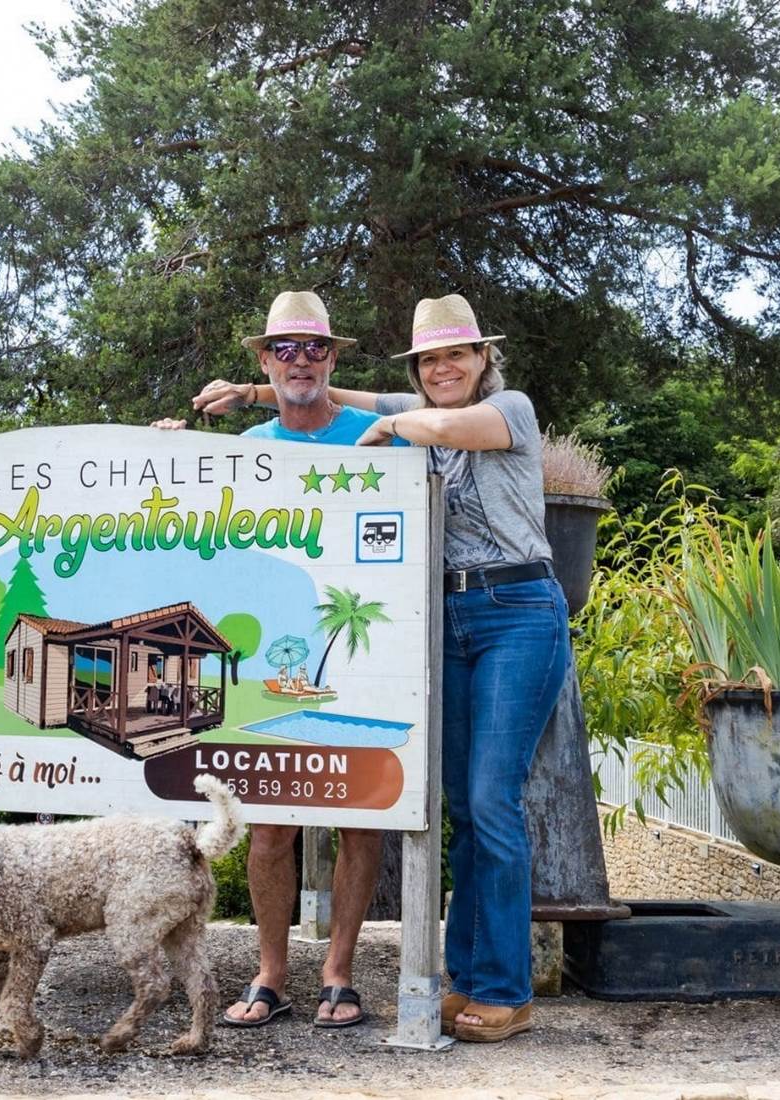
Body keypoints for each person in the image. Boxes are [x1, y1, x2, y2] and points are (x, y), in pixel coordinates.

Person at [194, 293, 568, 1043]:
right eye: (429, 359)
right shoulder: (408, 409)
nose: (443, 368)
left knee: (493, 801)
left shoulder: (508, 410)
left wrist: (390, 424)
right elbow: (334, 394)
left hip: (517, 608)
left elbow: (423, 423)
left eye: (456, 354)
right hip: (445, 620)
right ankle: (469, 979)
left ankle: (506, 989)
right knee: (464, 807)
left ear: (483, 358)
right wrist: (254, 394)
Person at [155, 289, 405, 1029]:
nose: (301, 361)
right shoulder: (247, 446)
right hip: (274, 656)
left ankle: (339, 973)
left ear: (332, 360)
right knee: (269, 826)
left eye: (315, 348)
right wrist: (166, 455)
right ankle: (271, 973)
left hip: (363, 646)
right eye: (285, 350)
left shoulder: (381, 435)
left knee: (362, 820)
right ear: (266, 361)